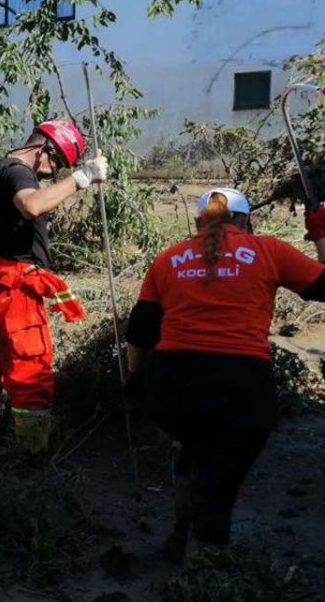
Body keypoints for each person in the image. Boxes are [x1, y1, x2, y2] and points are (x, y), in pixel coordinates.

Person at [126, 188, 325, 565]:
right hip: (243, 391)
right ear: (245, 221)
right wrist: (321, 235)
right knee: (221, 482)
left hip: (173, 387)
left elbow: (139, 334)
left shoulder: (169, 258)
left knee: (194, 452)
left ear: (198, 223)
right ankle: (206, 569)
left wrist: (135, 381)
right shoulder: (269, 250)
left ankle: (183, 534)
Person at [0, 119, 108, 454]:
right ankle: (30, 465)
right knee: (31, 373)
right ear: (43, 149)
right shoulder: (18, 172)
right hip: (13, 291)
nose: (52, 172)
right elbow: (33, 204)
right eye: (55, 163)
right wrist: (83, 177)